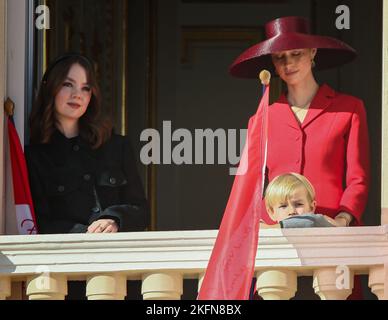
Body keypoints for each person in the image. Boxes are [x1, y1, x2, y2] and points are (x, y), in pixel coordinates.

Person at [229, 16, 370, 229]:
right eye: (279, 57)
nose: (288, 63)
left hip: (332, 229)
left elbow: (358, 179)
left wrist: (343, 219)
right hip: (277, 233)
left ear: (313, 51)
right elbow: (249, 184)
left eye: (296, 54)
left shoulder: (349, 109)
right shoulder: (261, 119)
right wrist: (259, 222)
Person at [26, 53, 148, 235]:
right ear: (50, 87)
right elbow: (39, 223)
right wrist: (85, 235)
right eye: (68, 84)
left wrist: (115, 219)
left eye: (86, 88)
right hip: (67, 259)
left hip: (116, 258)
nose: (77, 95)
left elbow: (141, 211)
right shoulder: (35, 157)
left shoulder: (117, 146)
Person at [262, 172, 335, 229]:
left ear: (312, 207)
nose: (291, 211)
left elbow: (311, 221)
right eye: (283, 206)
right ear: (271, 212)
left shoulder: (318, 222)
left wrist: (270, 228)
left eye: (298, 204)